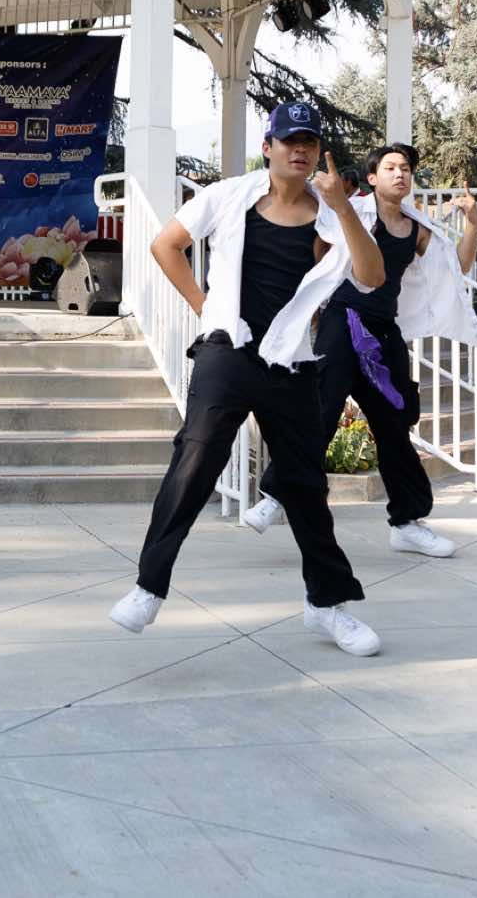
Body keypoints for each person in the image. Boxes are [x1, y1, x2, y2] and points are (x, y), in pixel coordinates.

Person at [109, 102, 388, 656]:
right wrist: (203, 306)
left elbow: (372, 276)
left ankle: (326, 605)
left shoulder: (334, 216)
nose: (299, 150)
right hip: (228, 351)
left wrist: (343, 209)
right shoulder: (228, 195)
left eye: (309, 142)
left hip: (290, 362)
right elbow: (166, 244)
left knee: (305, 486)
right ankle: (148, 587)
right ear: (268, 147)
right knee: (194, 460)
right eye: (289, 140)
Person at [239, 144, 477, 557]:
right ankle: (276, 497)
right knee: (321, 410)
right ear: (372, 178)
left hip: (384, 333)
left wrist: (473, 225)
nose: (400, 174)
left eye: (405, 168)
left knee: (395, 425)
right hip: (343, 321)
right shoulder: (352, 212)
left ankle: (406, 523)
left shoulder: (416, 228)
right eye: (390, 167)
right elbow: (319, 249)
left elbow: (456, 269)